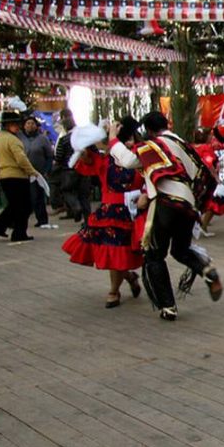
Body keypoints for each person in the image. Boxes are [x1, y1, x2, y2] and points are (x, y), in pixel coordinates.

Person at [109, 112, 223, 321]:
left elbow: (128, 160)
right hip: (188, 205)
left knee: (154, 255)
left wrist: (112, 139)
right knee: (180, 250)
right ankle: (207, 271)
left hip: (166, 203)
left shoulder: (154, 145)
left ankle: (168, 306)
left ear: (149, 130)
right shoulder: (181, 144)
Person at [61, 119, 144, 308]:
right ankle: (118, 286)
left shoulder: (139, 155)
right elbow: (86, 159)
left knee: (121, 253)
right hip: (109, 213)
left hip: (133, 211)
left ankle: (121, 284)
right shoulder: (104, 159)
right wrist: (83, 146)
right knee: (113, 252)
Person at [0, 110, 40, 243]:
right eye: (15, 124)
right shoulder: (13, 140)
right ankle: (18, 232)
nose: (18, 127)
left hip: (3, 175)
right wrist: (32, 171)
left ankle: (0, 226)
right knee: (24, 206)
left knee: (14, 205)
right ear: (7, 125)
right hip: (17, 176)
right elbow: (21, 159)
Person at [55, 110, 92, 223]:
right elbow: (94, 151)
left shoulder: (64, 139)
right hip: (85, 170)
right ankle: (88, 221)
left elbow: (59, 156)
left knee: (67, 191)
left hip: (69, 170)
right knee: (84, 196)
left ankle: (76, 207)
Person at [20, 115, 56, 229]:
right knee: (24, 197)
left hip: (38, 172)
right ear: (24, 126)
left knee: (37, 197)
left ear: (36, 126)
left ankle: (42, 219)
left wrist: (46, 170)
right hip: (23, 172)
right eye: (28, 123)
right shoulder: (20, 138)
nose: (30, 126)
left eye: (32, 123)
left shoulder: (42, 139)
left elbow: (50, 156)